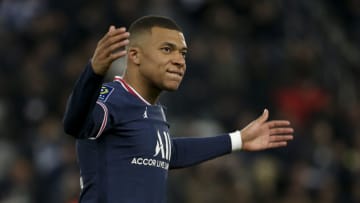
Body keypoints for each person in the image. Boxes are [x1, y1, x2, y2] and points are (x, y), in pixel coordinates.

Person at [63, 15, 294, 203]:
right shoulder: (113, 97)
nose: (179, 60)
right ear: (135, 55)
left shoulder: (154, 111)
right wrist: (93, 73)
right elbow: (77, 125)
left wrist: (238, 139)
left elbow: (169, 152)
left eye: (182, 53)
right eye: (167, 49)